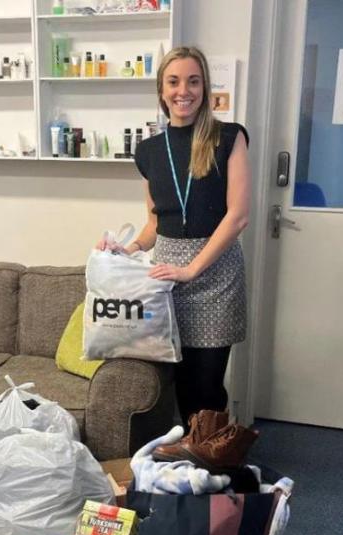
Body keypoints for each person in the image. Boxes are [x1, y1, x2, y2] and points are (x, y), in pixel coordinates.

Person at [96, 46, 250, 425]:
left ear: (205, 88)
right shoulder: (148, 151)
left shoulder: (229, 137)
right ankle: (185, 460)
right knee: (175, 381)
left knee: (207, 385)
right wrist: (124, 249)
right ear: (162, 91)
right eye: (174, 81)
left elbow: (238, 216)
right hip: (165, 278)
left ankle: (214, 463)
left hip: (214, 273)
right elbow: (155, 223)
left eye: (193, 81)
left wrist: (192, 269)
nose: (184, 90)